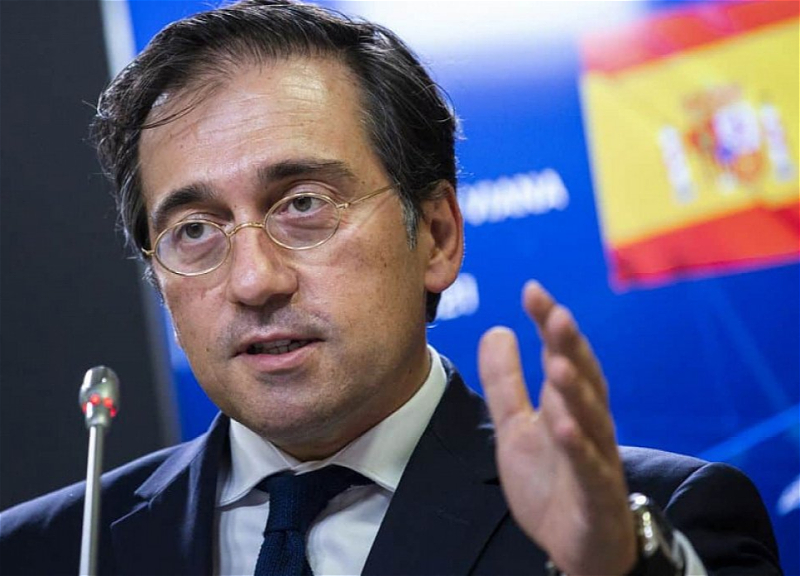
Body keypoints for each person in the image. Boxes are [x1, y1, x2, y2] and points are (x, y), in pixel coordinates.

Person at [0, 1, 781, 575]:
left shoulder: (658, 524)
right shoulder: (47, 553)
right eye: (195, 229)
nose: (254, 280)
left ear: (436, 235)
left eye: (302, 205)